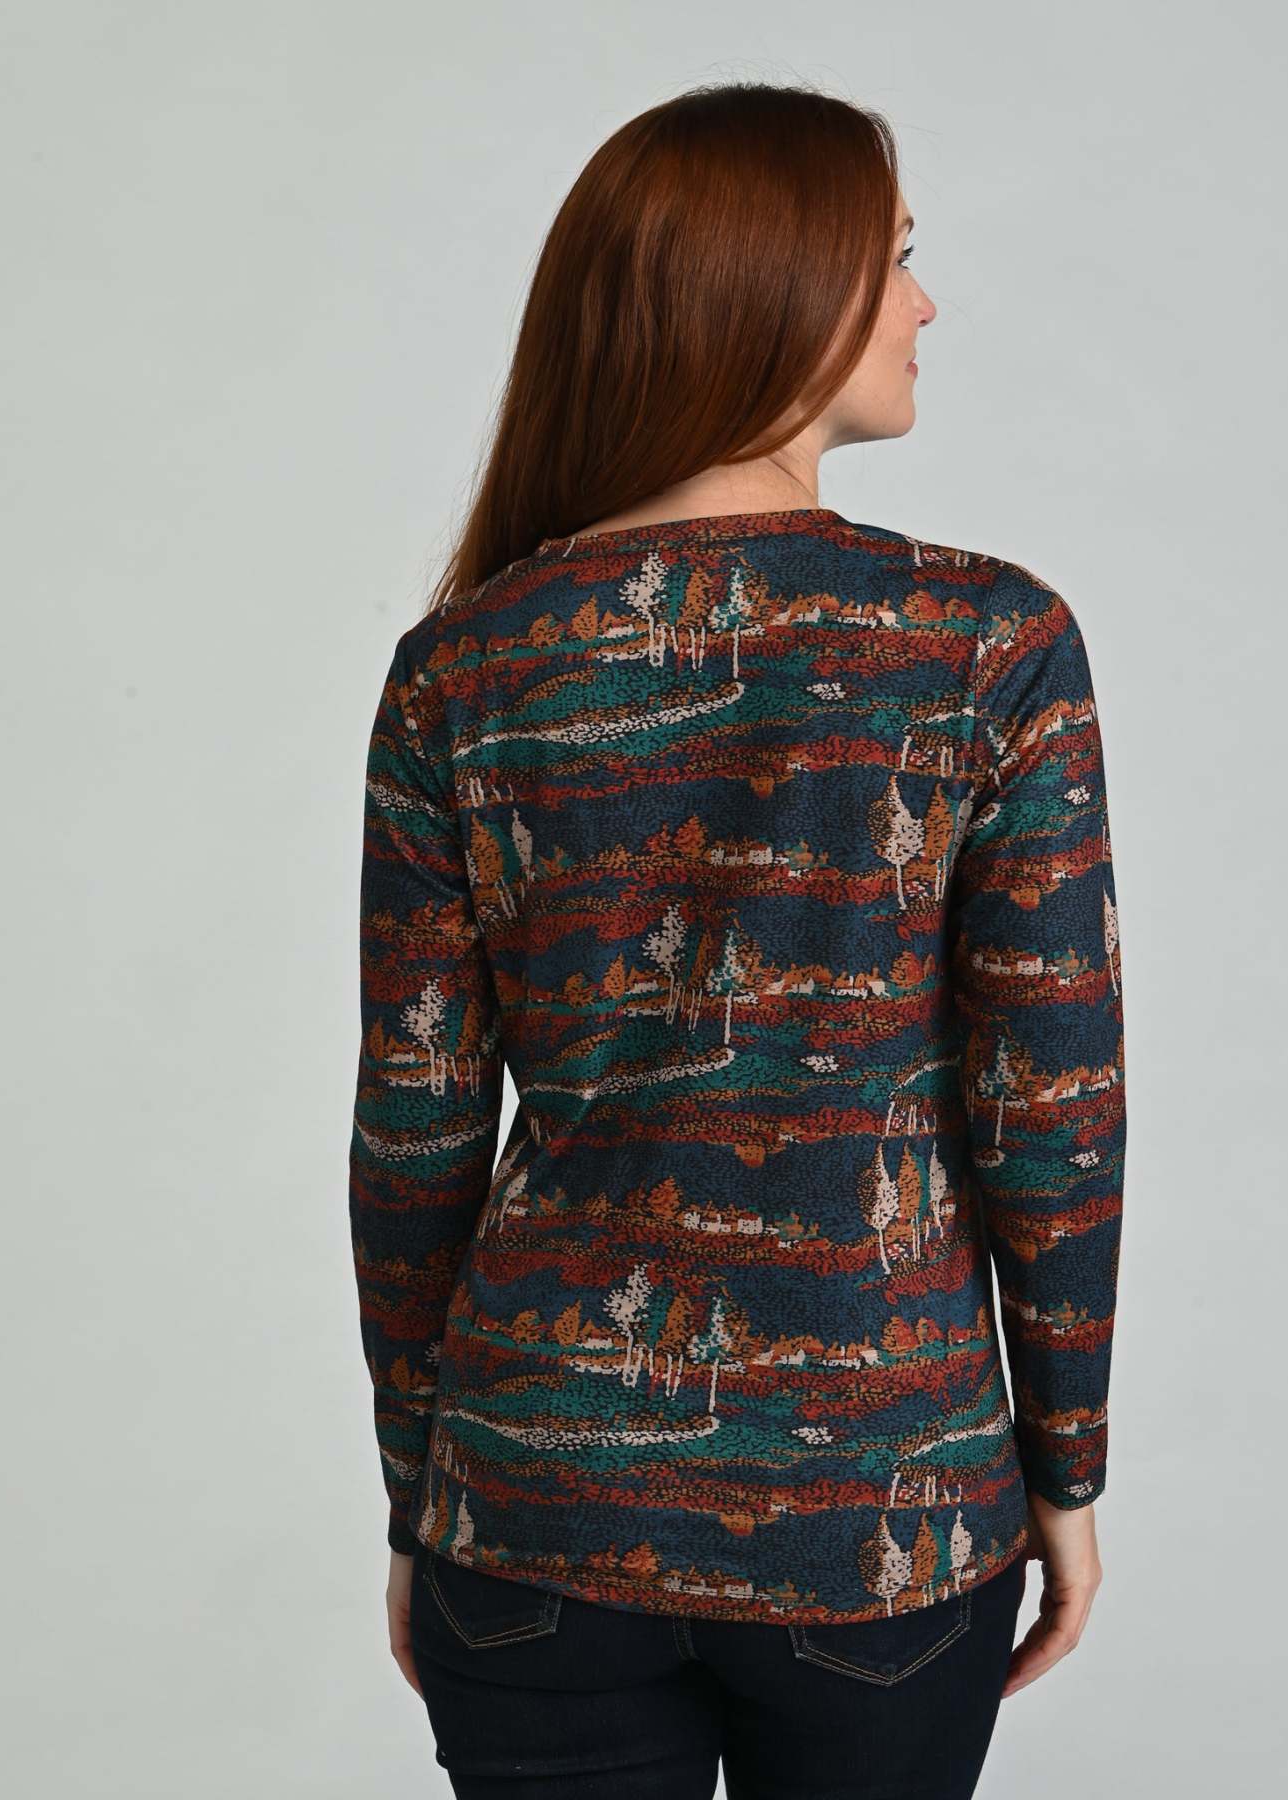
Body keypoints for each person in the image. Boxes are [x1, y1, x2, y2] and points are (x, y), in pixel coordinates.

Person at [347, 80, 1126, 1800]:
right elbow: (1051, 1106)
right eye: (895, 258)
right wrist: (1063, 1465)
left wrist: (424, 1494)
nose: (927, 304)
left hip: (532, 1511)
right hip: (884, 1513)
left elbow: (414, 1134)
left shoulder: (462, 668)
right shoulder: (989, 642)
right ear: (776, 283)